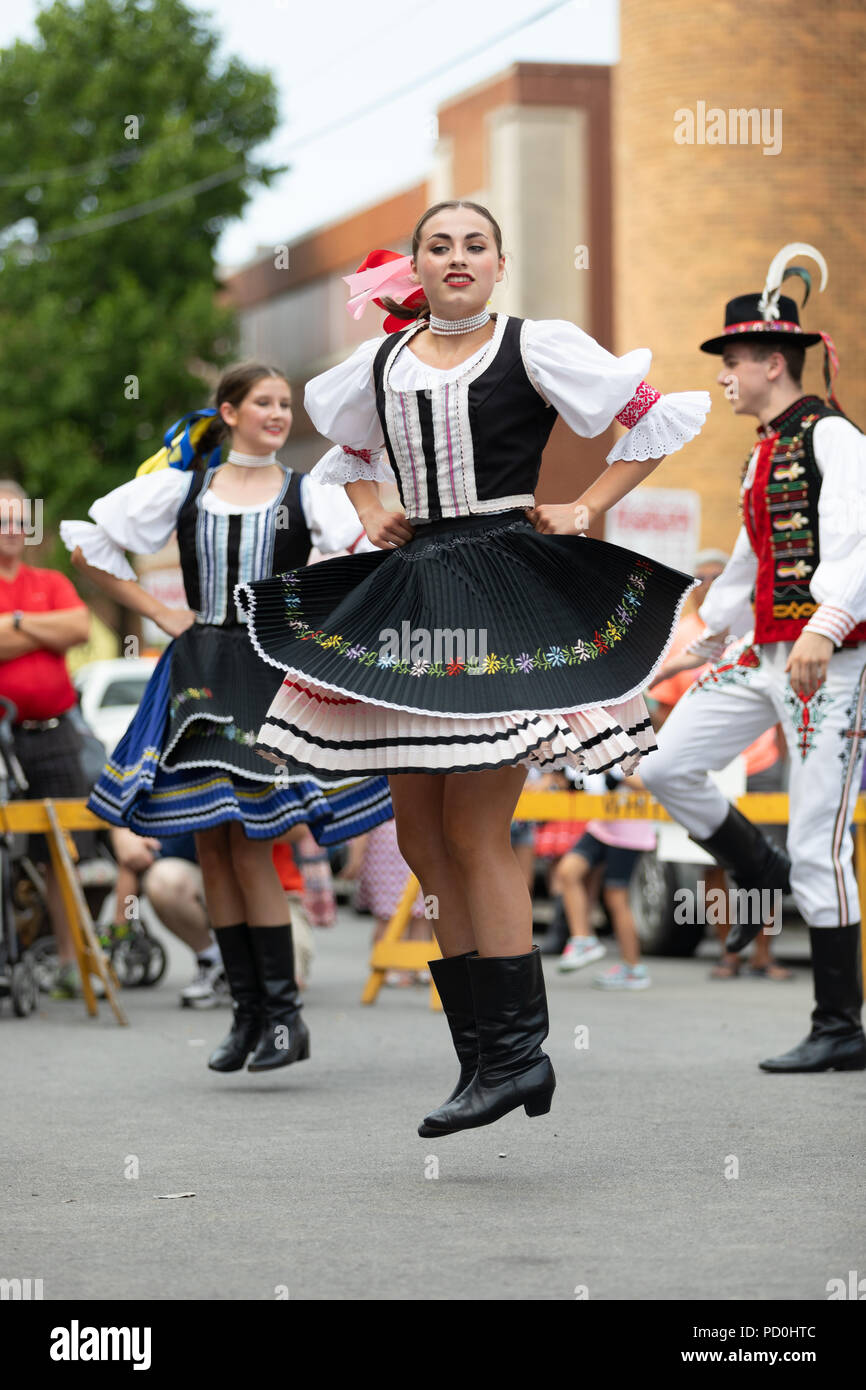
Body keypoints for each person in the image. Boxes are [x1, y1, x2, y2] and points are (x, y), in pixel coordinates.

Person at [237, 201, 711, 1134]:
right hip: (414, 592)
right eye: (439, 246)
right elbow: (347, 447)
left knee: (477, 826)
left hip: (504, 586)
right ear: (416, 266)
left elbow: (652, 419)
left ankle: (521, 1057)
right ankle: (484, 1062)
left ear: (500, 263)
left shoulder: (536, 345)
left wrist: (582, 505)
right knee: (420, 837)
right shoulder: (379, 362)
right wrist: (372, 508)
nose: (457, 259)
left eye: (475, 246)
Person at [61, 363, 393, 1075]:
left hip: (267, 673)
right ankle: (246, 1015)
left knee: (249, 844)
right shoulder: (185, 490)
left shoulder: (310, 493)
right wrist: (158, 613)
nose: (278, 414)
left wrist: (318, 631)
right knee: (210, 845)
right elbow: (87, 540)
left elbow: (362, 552)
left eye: (285, 404)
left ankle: (283, 1019)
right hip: (197, 671)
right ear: (229, 411)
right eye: (264, 403)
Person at [640, 243, 866, 1072]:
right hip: (766, 654)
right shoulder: (761, 455)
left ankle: (841, 1024)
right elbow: (742, 572)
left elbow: (858, 542)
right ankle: (754, 863)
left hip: (827, 665)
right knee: (664, 765)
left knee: (821, 842)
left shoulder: (836, 439)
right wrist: (682, 653)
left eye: (734, 361)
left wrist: (825, 626)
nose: (726, 375)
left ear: (775, 362)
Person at [648, 550, 792, 981]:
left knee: (790, 851)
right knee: (718, 860)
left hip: (760, 758)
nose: (710, 580)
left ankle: (766, 955)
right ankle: (728, 951)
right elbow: (665, 703)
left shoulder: (747, 620)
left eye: (718, 574)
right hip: (715, 754)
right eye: (702, 576)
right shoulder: (690, 632)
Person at [0, 480, 92, 998]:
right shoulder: (45, 597)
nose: (11, 531)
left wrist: (13, 623)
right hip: (3, 743)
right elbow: (58, 630)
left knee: (66, 852)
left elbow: (78, 627)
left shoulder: (51, 579)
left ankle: (68, 961)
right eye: (1, 522)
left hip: (57, 735)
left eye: (17, 521)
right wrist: (42, 628)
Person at [556, 770, 656, 988]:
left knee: (616, 897)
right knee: (567, 872)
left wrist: (616, 769)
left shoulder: (648, 743)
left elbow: (649, 782)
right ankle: (583, 940)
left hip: (629, 830)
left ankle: (632, 968)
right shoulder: (618, 738)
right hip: (603, 823)